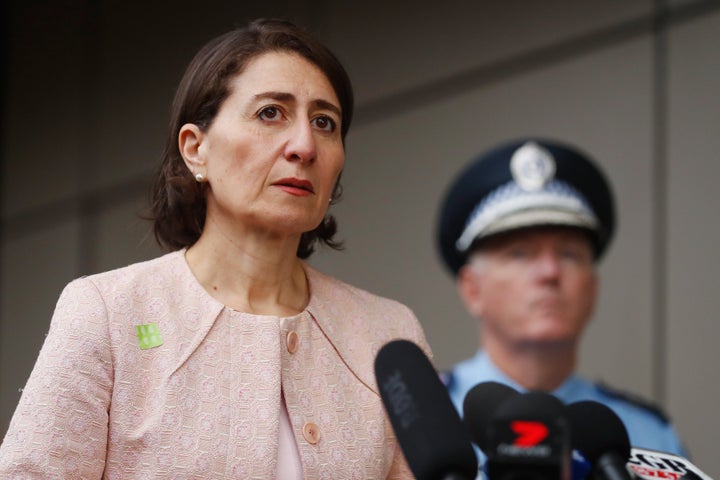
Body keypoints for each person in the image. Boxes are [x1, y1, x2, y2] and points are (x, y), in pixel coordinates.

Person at [0, 19, 430, 478]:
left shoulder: (388, 335)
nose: (305, 146)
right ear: (195, 149)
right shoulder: (109, 313)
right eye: (271, 113)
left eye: (325, 123)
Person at [436, 138, 685, 455]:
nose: (550, 272)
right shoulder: (423, 423)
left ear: (593, 288)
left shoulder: (649, 435)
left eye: (569, 254)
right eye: (520, 254)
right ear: (472, 289)